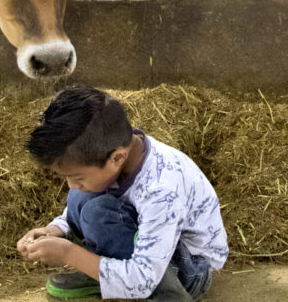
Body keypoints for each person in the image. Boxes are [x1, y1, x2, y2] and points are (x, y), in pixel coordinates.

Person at [17, 85, 228, 300]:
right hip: (153, 248)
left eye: (77, 177)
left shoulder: (161, 189)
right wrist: (55, 230)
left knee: (96, 211)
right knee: (81, 197)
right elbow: (83, 196)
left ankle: (163, 294)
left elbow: (144, 279)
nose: (70, 184)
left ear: (117, 158)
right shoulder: (117, 150)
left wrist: (68, 253)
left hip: (189, 270)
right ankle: (107, 273)